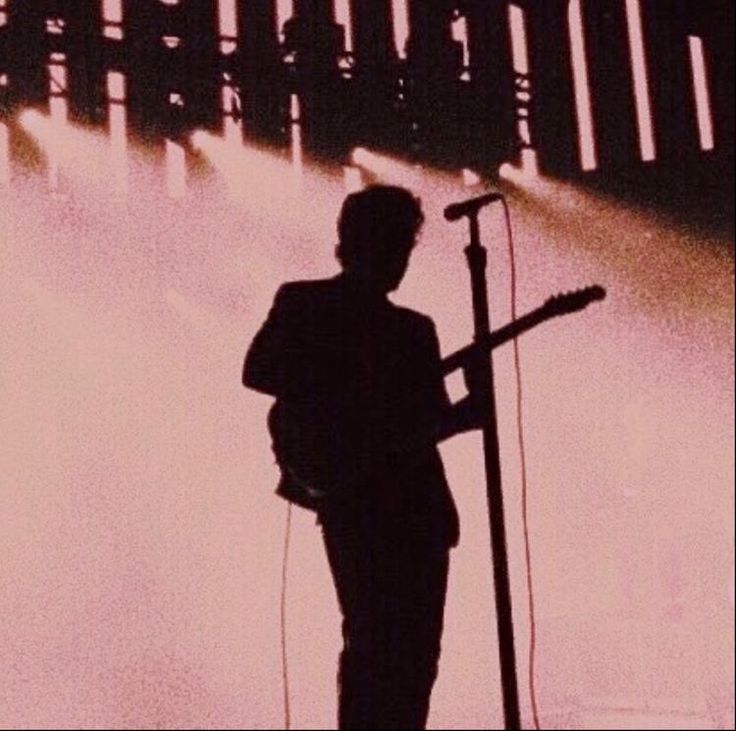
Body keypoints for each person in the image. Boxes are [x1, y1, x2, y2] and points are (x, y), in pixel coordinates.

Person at [243, 185, 483, 730]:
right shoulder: (303, 302)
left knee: (413, 657)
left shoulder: (414, 329)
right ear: (359, 244)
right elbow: (257, 371)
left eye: (405, 247)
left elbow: (423, 425)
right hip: (360, 502)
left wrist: (467, 414)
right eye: (395, 246)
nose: (401, 261)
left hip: (414, 511)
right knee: (376, 645)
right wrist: (352, 388)